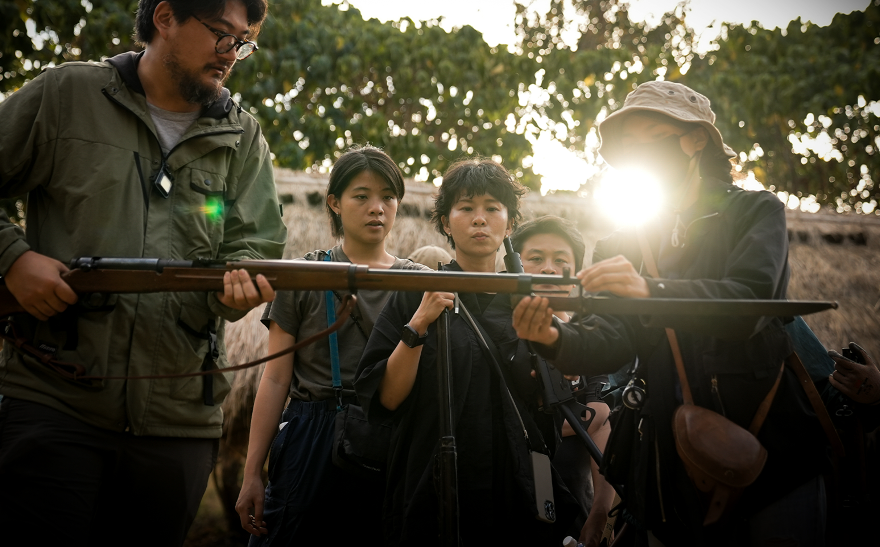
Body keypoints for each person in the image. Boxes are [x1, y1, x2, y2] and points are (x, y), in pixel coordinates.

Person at [0, 0, 287, 547]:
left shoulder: (243, 135)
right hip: (54, 402)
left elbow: (256, 244)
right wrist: (13, 258)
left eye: (242, 43)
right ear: (165, 18)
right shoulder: (67, 93)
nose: (231, 53)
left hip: (179, 422)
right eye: (221, 34)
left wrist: (237, 289)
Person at [512, 81, 836, 546]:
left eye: (654, 137)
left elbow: (748, 303)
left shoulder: (756, 211)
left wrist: (650, 290)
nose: (640, 152)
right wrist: (553, 338)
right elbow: (610, 339)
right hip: (669, 472)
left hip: (774, 459)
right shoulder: (624, 242)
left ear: (695, 139)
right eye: (630, 143)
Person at [354, 158, 581, 546]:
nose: (480, 219)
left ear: (510, 224)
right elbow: (386, 398)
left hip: (516, 489)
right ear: (446, 222)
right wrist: (418, 325)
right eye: (466, 207)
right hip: (432, 488)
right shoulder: (415, 295)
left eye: (492, 208)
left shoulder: (528, 302)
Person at [235, 145, 425, 545]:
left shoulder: (418, 282)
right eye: (362, 196)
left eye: (388, 197)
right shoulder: (302, 275)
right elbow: (275, 378)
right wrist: (252, 473)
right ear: (335, 202)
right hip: (310, 436)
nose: (377, 208)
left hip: (392, 439)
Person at [510, 215, 617, 547]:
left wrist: (600, 511)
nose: (548, 269)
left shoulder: (590, 339)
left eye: (560, 261)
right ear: (514, 267)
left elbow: (601, 418)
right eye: (536, 258)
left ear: (575, 277)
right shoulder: (499, 336)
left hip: (576, 509)